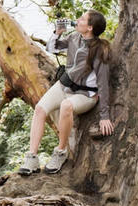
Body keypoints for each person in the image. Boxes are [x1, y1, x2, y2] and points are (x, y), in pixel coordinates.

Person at [19, 10, 113, 175]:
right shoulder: (74, 38)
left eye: (82, 19)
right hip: (64, 85)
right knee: (40, 109)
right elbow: (52, 48)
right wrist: (57, 33)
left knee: (66, 106)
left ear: (89, 27)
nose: (78, 20)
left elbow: (103, 84)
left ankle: (60, 152)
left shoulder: (99, 51)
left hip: (85, 95)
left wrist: (105, 116)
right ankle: (32, 158)